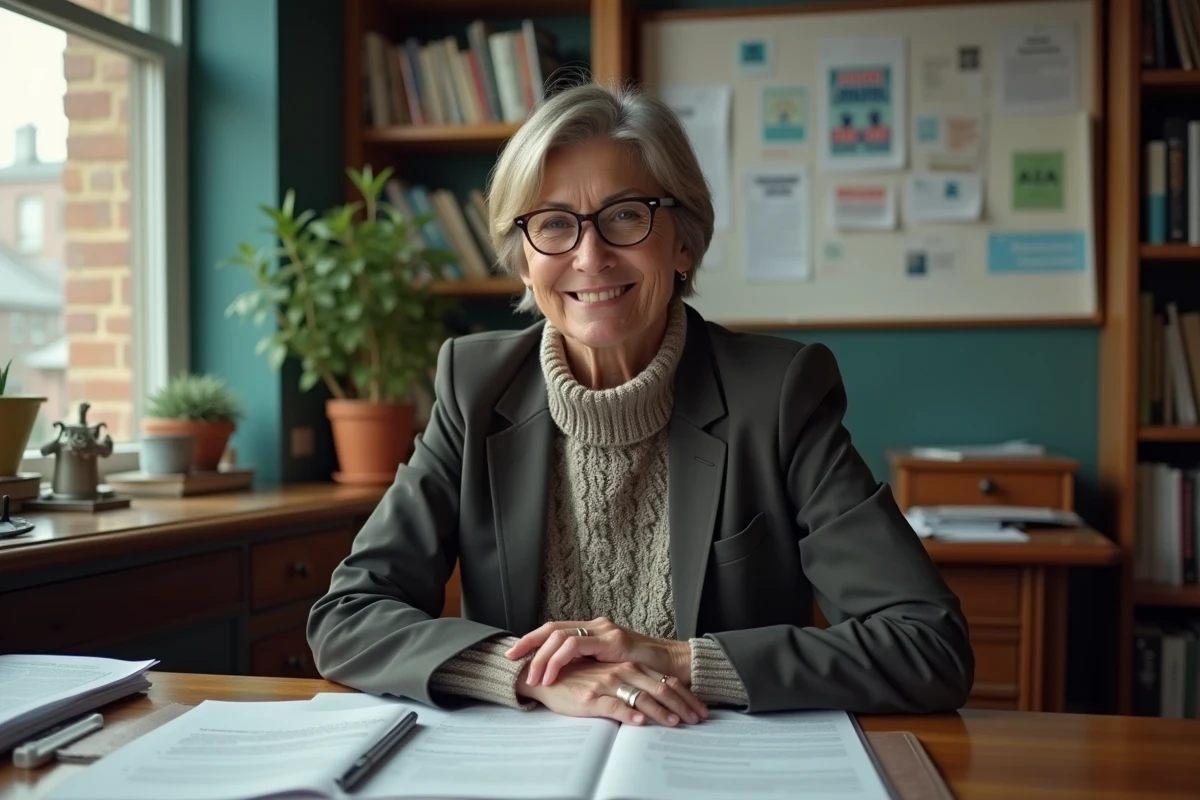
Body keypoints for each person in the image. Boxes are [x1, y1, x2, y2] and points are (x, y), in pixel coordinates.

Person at [307, 82, 974, 728]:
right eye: (554, 224)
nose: (590, 255)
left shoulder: (777, 394)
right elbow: (348, 615)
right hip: (527, 769)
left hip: (713, 762)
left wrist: (681, 661)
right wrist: (530, 673)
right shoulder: (475, 387)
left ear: (683, 240)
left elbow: (928, 643)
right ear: (524, 261)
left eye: (626, 215)